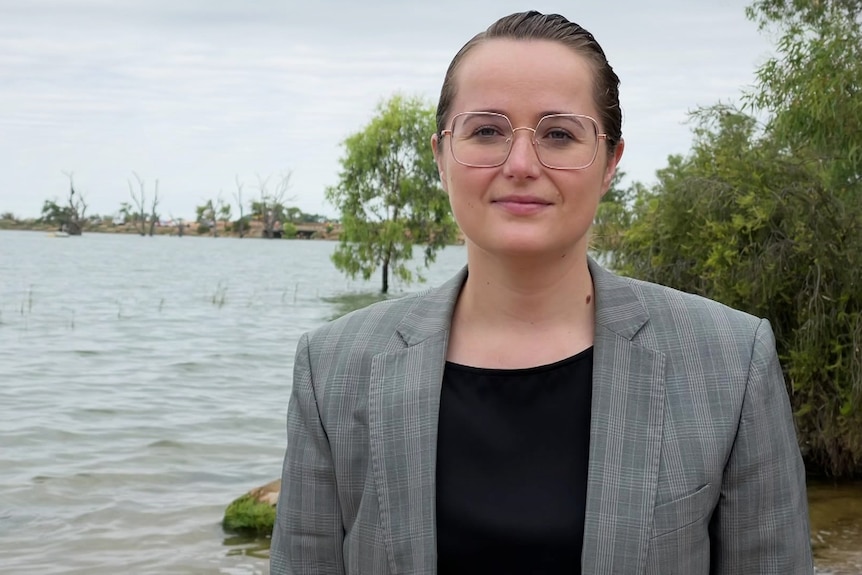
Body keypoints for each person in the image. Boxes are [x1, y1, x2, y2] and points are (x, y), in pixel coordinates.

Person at [270, 11, 813, 575]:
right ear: (439, 156)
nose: (522, 164)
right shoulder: (333, 368)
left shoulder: (730, 361)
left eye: (559, 134)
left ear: (610, 163)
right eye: (486, 131)